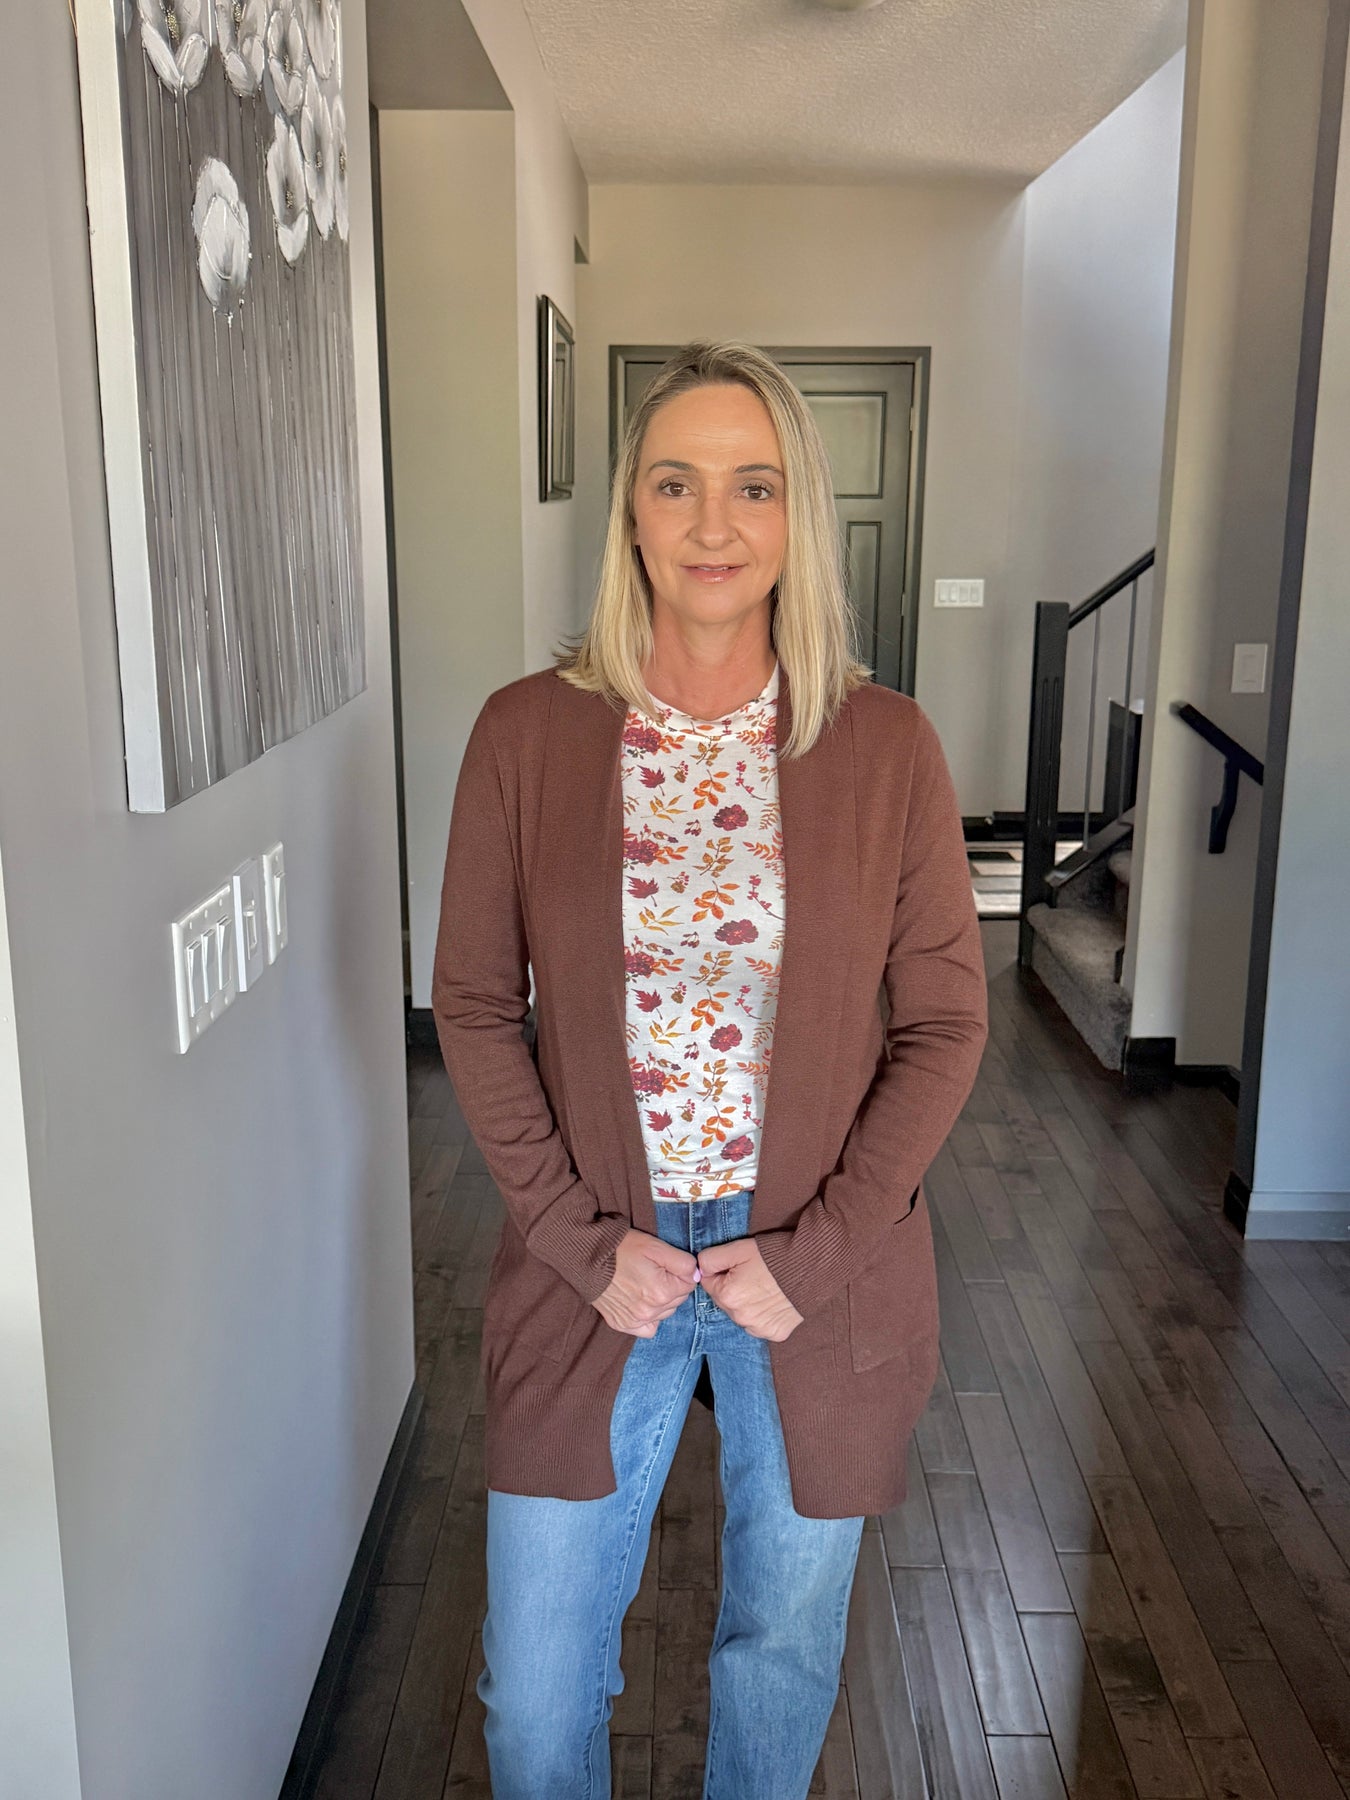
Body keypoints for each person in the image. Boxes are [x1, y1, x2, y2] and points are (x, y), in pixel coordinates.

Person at [431, 340, 988, 1800]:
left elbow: (944, 1025)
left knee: (777, 1659)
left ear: (800, 516)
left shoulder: (884, 746)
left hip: (808, 1271)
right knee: (535, 1697)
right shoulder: (525, 734)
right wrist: (576, 1240)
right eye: (676, 484)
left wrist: (821, 1249)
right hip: (594, 1265)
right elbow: (475, 1007)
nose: (713, 525)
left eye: (754, 486)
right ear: (630, 509)